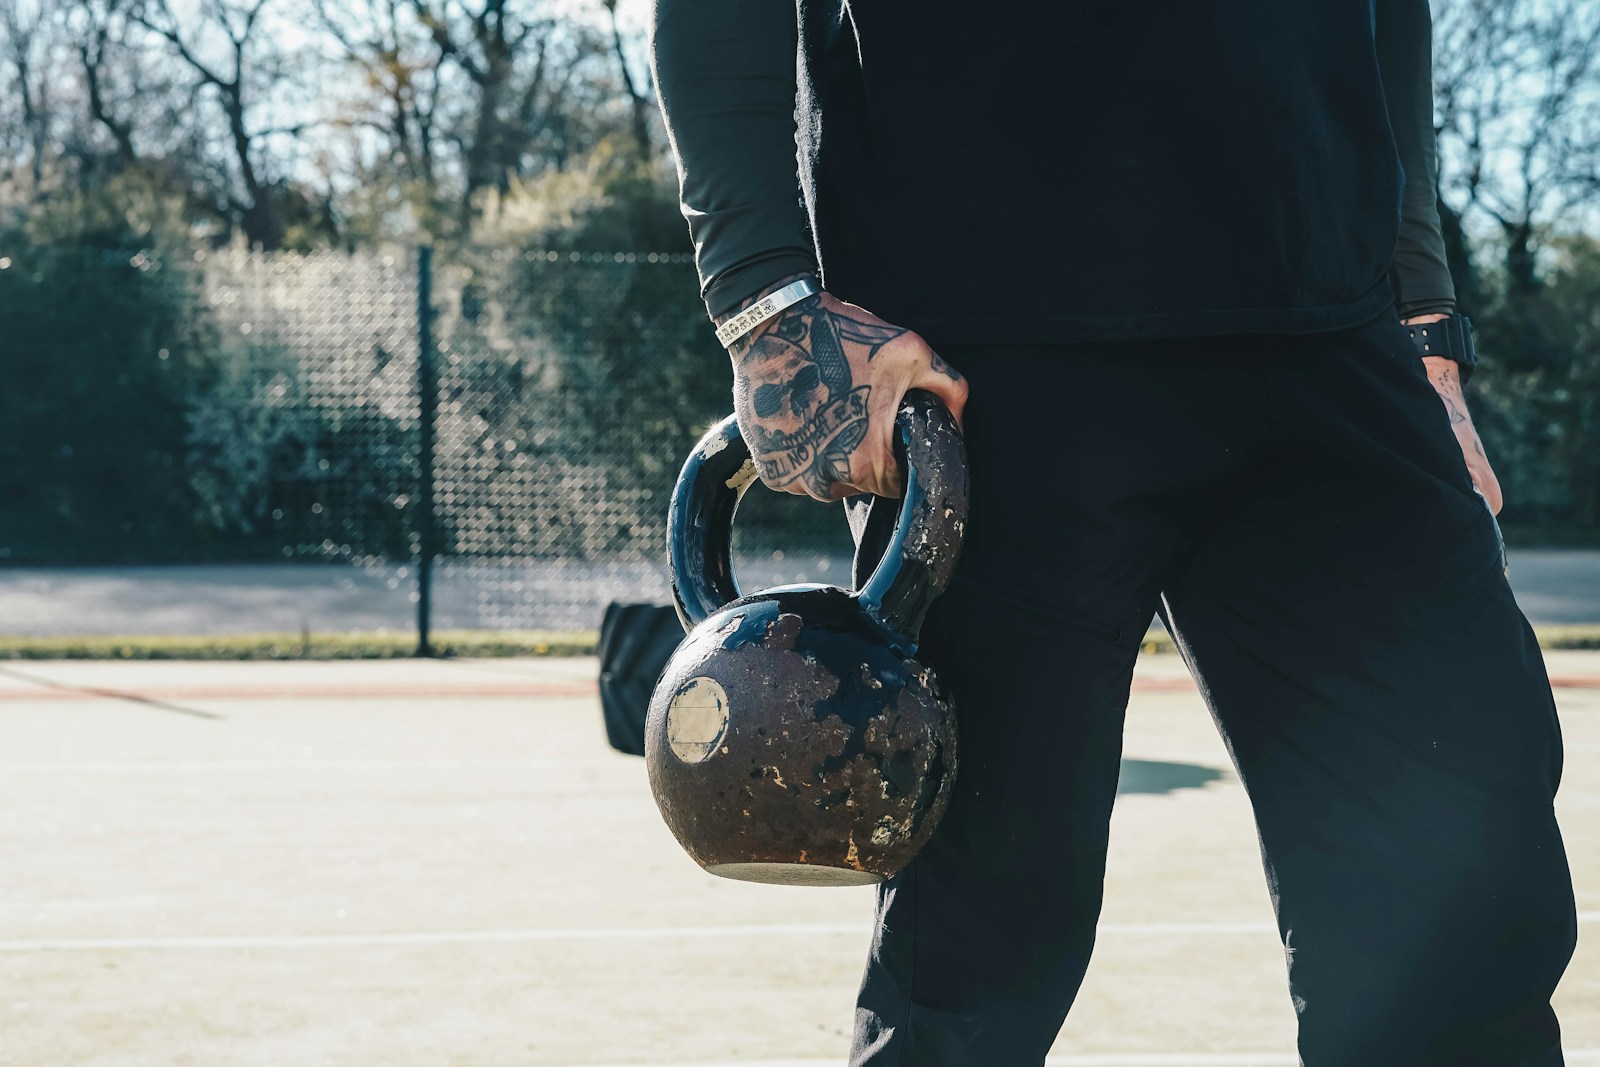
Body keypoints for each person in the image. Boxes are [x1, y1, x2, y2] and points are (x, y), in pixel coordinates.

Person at [648, 1, 1578, 1063]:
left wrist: (1424, 322)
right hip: (986, 356)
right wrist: (764, 300)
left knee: (1459, 891)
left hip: (1333, 333)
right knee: (976, 951)